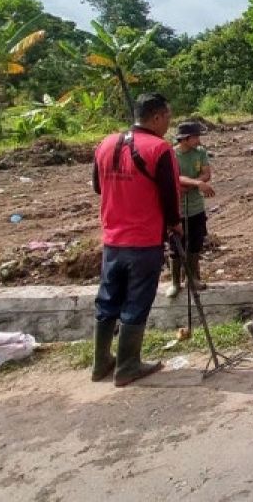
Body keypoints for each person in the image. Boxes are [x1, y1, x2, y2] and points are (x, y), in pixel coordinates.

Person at [90, 92, 181, 387]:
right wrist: (175, 226)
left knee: (107, 300)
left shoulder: (105, 143)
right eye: (167, 117)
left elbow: (96, 186)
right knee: (136, 300)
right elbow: (170, 196)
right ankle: (128, 365)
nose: (168, 123)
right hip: (143, 239)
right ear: (155, 117)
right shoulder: (159, 148)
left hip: (113, 238)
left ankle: (101, 362)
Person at [166, 121, 216, 298]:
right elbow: (174, 177)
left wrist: (192, 183)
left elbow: (206, 173)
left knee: (195, 243)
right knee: (176, 245)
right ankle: (174, 282)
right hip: (178, 208)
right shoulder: (171, 154)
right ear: (185, 139)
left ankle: (192, 278)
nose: (198, 139)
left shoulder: (200, 152)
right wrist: (196, 182)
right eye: (195, 136)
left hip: (196, 207)